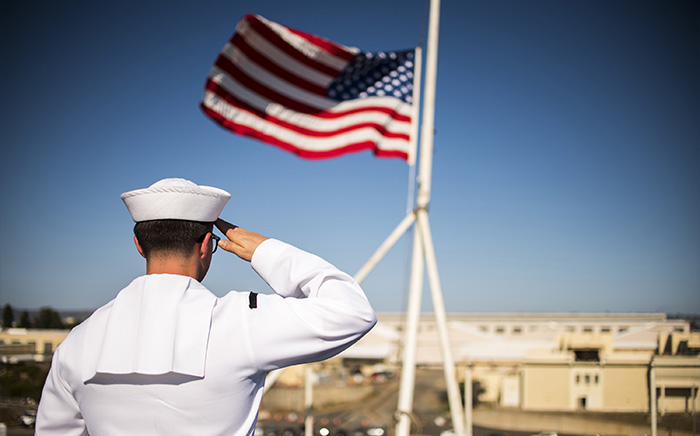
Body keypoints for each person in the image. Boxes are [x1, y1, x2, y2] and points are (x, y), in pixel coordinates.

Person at [36, 178, 377, 435]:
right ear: (205, 246)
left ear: (139, 245)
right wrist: (264, 250)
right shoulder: (240, 323)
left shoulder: (77, 343)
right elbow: (353, 311)